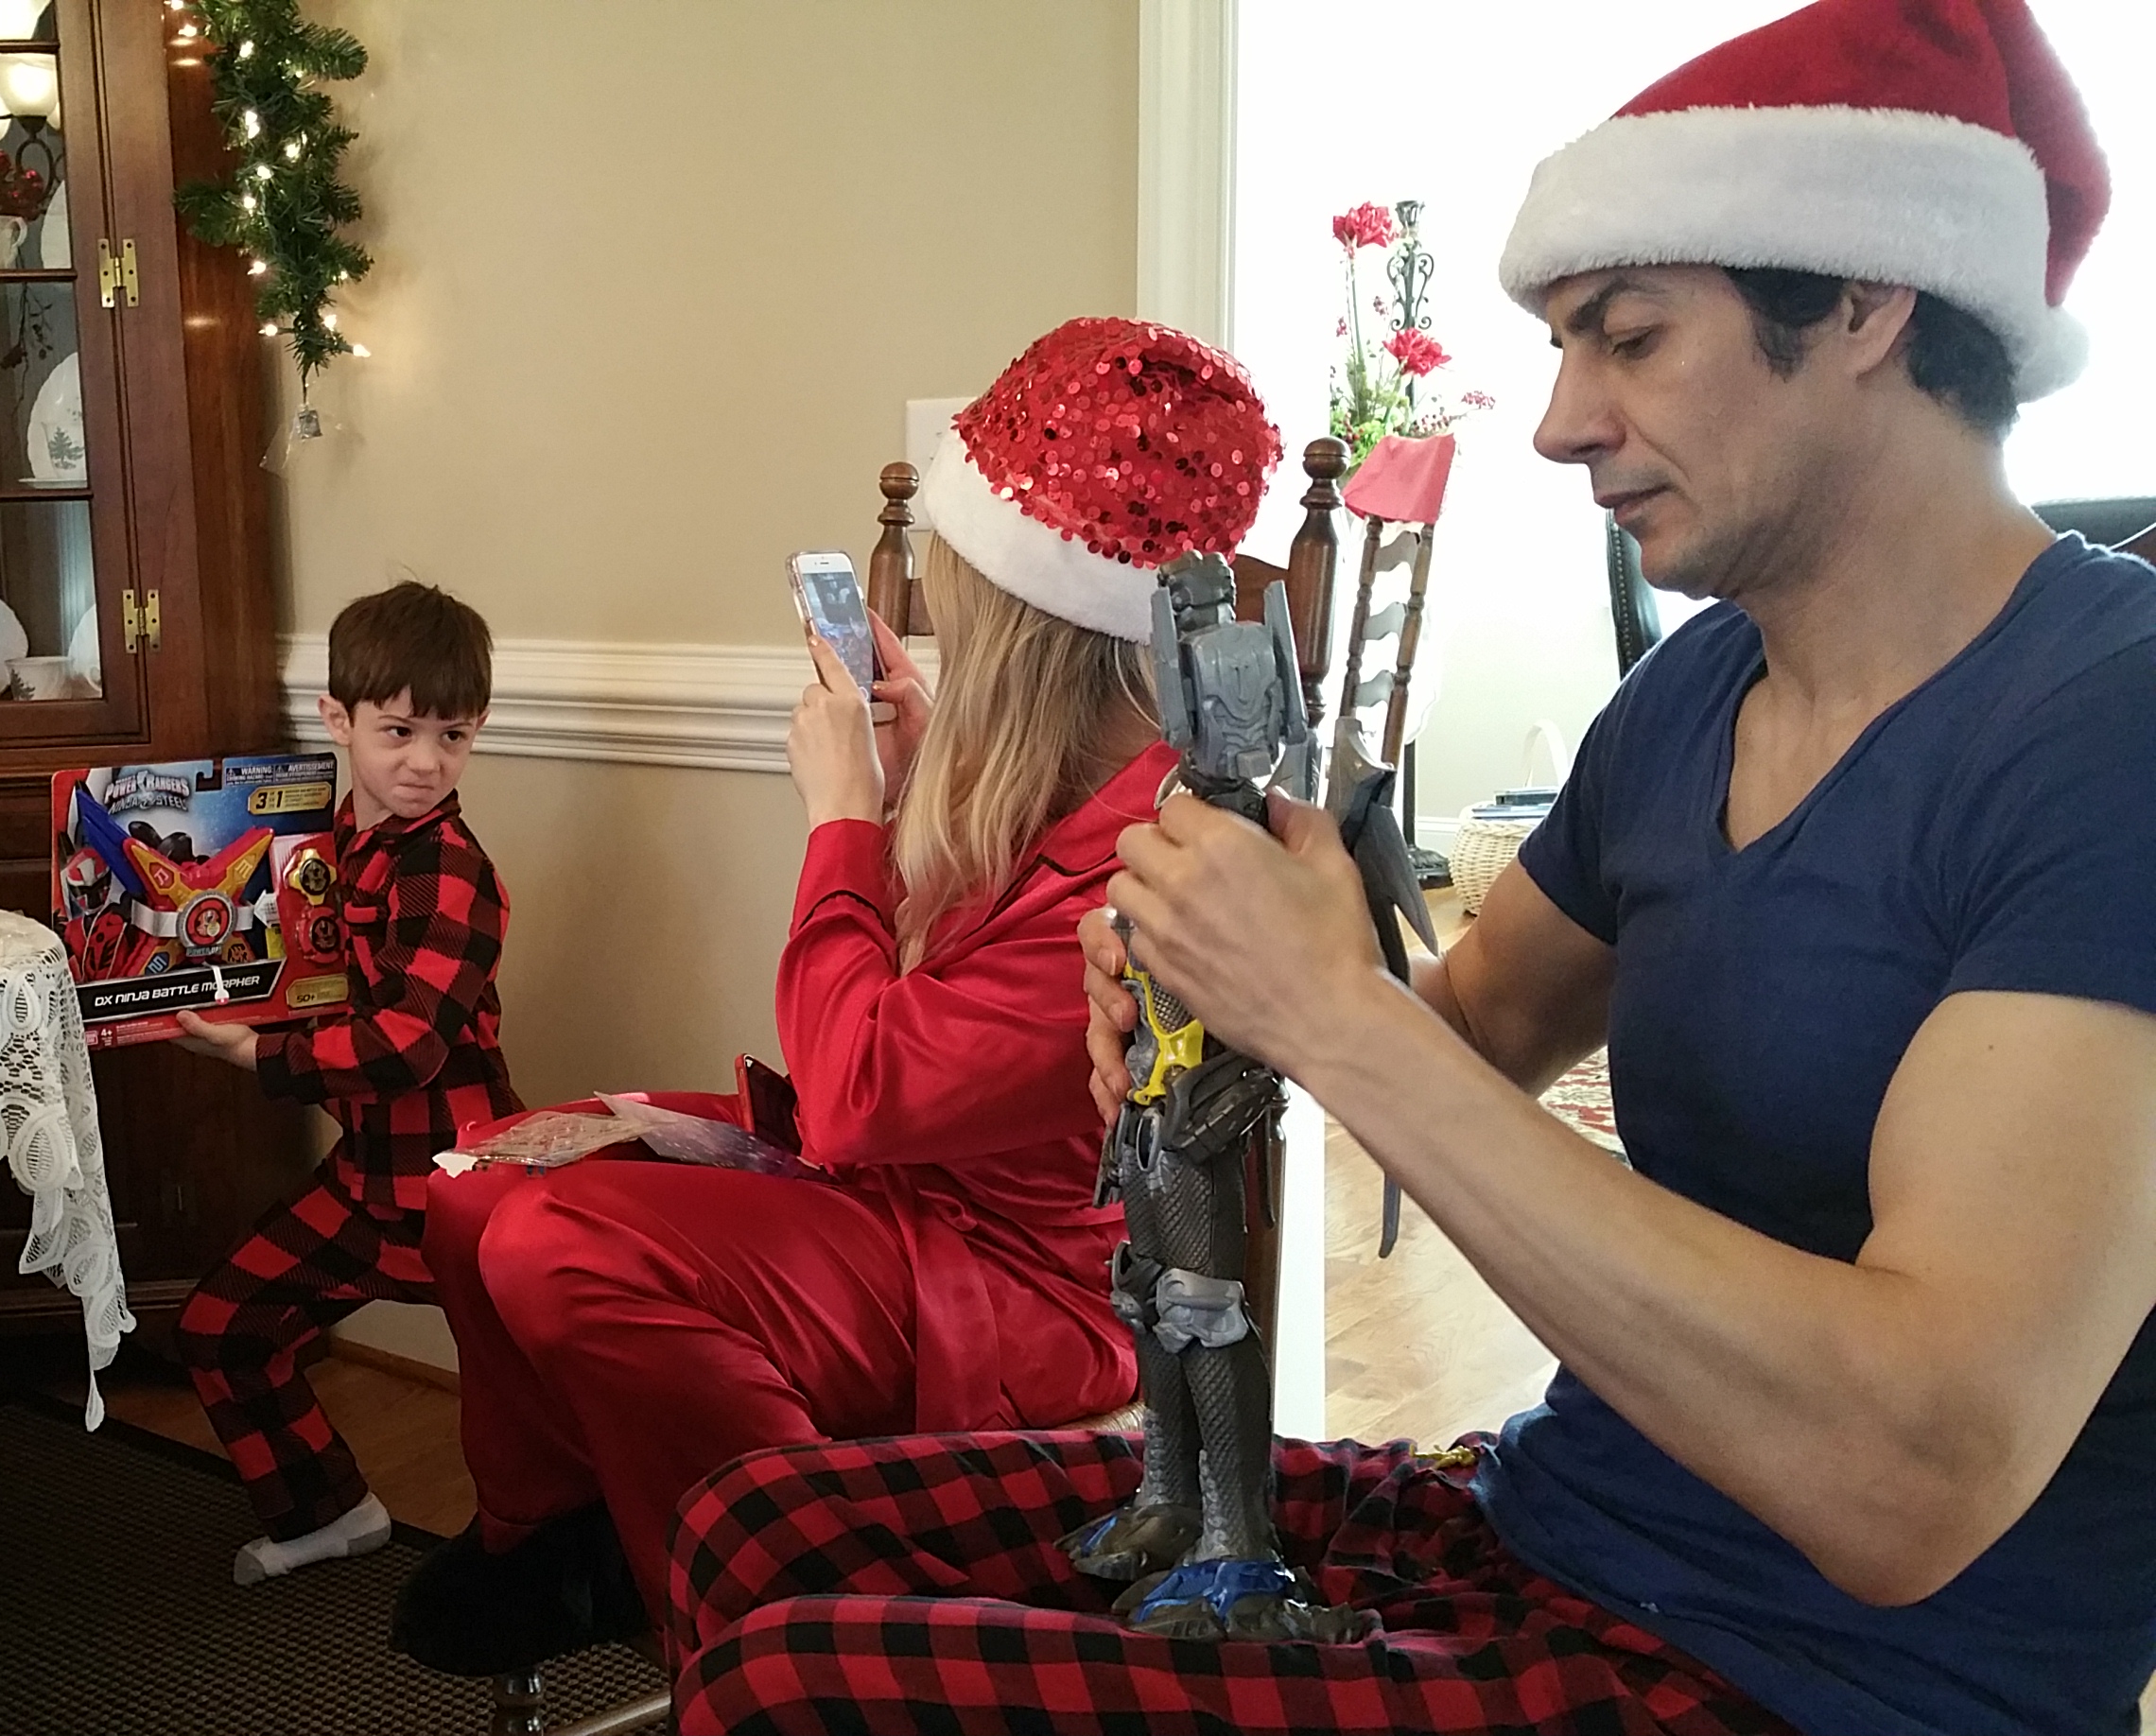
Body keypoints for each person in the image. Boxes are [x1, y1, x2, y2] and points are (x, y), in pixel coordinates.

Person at [667, 3, 2156, 1733]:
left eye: (1628, 338)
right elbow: (1468, 1031)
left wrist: (1333, 1013)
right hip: (1557, 1523)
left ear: (1865, 303)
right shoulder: (1694, 694)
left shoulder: (2103, 730)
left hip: (1814, 1678)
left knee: (792, 1688)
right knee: (753, 1528)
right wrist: (1229, 996)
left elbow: (1917, 1477)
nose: (1560, 422)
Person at [389, 318, 1288, 1677]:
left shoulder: (1150, 865)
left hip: (1019, 1286)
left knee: (557, 1248)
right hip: (900, 1195)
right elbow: (909, 1031)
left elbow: (861, 1090)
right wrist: (913, 778)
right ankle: (560, 1541)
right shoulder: (1058, 783)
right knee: (477, 1182)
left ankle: (801, 1613)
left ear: (1023, 632)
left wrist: (844, 819)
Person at [166, 580, 525, 1584]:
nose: (425, 762)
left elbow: (408, 1045)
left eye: (452, 737)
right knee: (220, 1327)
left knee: (529, 1384)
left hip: (461, 1187)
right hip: (370, 1175)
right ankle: (329, 1510)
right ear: (339, 719)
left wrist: (256, 1056)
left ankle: (563, 1554)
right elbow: (297, 973)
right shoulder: (324, 845)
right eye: (399, 731)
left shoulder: (448, 869)